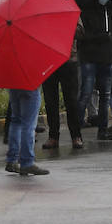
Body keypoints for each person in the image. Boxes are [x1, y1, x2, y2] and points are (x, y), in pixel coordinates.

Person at [78, 0, 112, 141]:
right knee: (85, 93)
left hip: (106, 58)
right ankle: (76, 130)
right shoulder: (86, 12)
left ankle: (102, 130)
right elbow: (84, 36)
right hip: (89, 58)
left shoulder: (111, 12)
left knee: (105, 96)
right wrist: (103, 37)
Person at [40, 20, 84, 151]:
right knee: (50, 101)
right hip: (48, 59)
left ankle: (76, 136)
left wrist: (63, 25)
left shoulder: (68, 8)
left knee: (71, 101)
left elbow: (80, 32)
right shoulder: (41, 11)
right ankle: (53, 136)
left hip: (68, 59)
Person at [5, 85, 49, 176]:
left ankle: (12, 160)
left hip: (14, 84)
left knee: (16, 121)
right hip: (30, 86)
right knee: (28, 124)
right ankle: (27, 162)